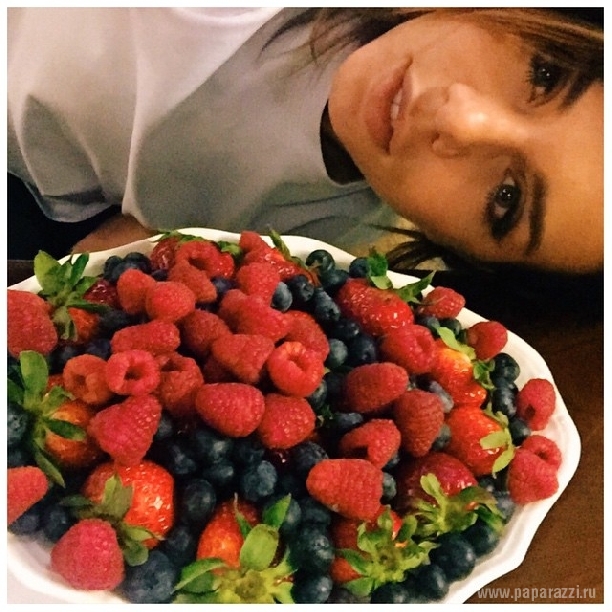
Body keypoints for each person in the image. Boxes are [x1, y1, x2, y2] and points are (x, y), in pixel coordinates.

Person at [7, 7, 603, 277]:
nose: (460, 120)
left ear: (464, 253)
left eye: (506, 200)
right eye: (544, 73)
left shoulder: (326, 240)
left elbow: (161, 211)